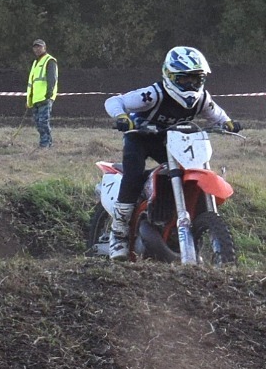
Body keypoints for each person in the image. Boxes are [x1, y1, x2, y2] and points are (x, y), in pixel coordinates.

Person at [101, 46, 241, 259]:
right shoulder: (153, 94)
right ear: (169, 75)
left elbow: (218, 115)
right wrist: (122, 117)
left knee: (189, 171)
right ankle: (118, 233)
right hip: (141, 137)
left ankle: (175, 222)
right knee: (133, 176)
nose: (191, 85)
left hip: (172, 141)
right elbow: (114, 101)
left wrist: (228, 123)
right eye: (185, 79)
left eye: (196, 79)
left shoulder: (202, 99)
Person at [26, 38, 59, 148]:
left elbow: (52, 79)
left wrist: (49, 93)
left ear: (44, 48)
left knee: (43, 123)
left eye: (39, 47)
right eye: (35, 47)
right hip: (36, 99)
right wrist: (29, 100)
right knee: (38, 124)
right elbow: (32, 83)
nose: (37, 49)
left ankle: (45, 145)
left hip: (45, 98)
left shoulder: (50, 61)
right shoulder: (35, 63)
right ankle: (45, 144)